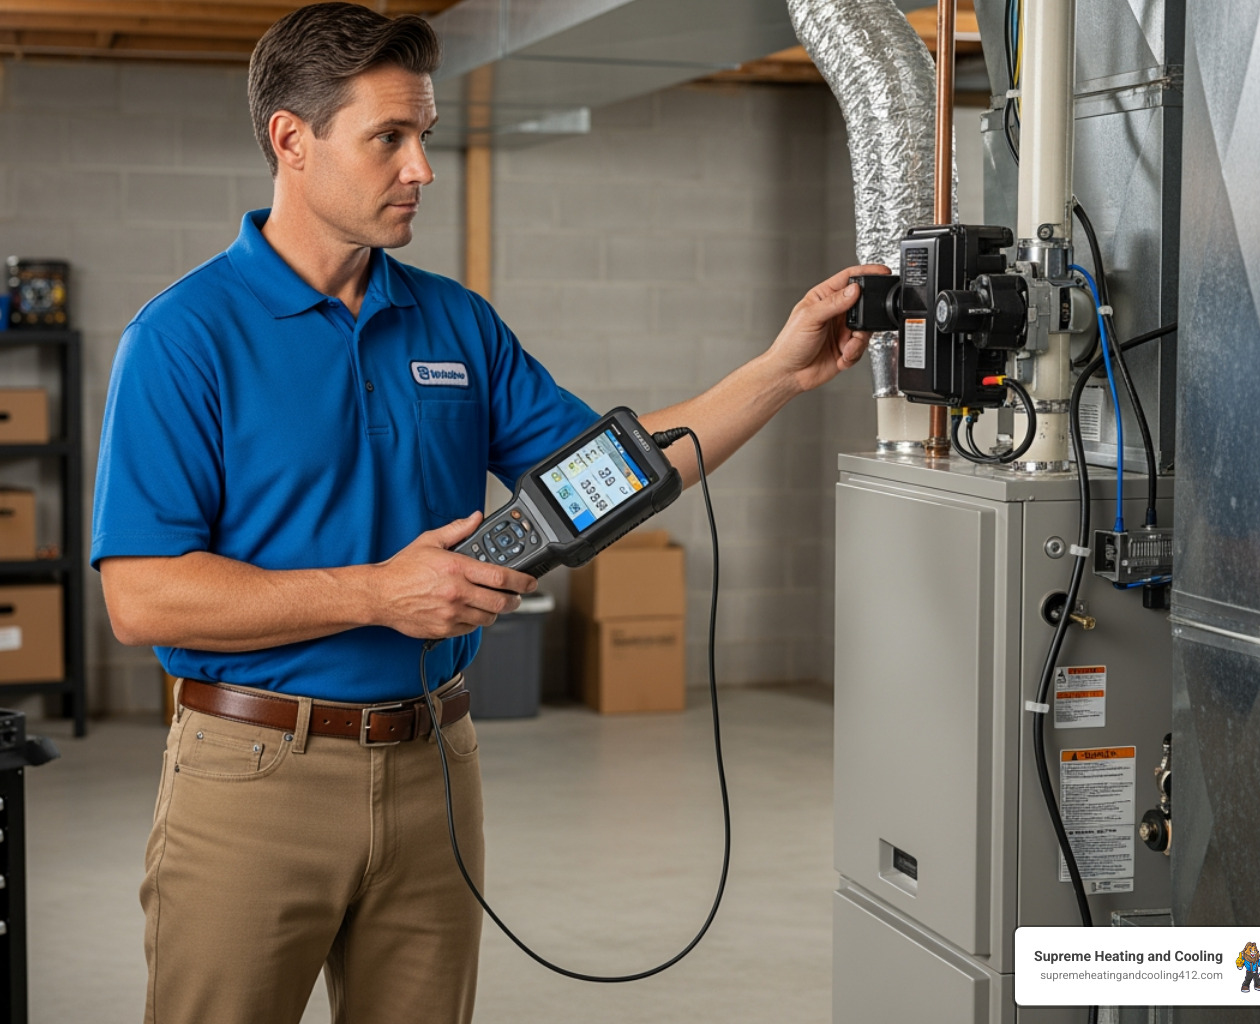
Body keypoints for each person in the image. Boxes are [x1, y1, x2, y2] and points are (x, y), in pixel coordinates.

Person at [92, 4, 884, 1023]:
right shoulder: (181, 338)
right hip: (254, 777)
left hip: (435, 771)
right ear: (292, 141)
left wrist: (777, 374)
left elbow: (611, 470)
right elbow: (142, 599)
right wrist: (381, 593)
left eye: (423, 135)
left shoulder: (454, 321)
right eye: (390, 138)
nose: (422, 166)